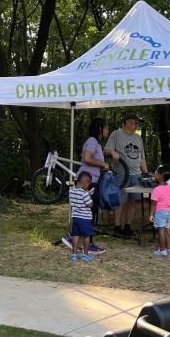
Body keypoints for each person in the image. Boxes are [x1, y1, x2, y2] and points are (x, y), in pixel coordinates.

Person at [70, 117, 112, 255]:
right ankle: (86, 243)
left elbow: (95, 156)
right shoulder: (93, 141)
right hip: (87, 181)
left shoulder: (96, 143)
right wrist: (102, 164)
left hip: (90, 180)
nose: (108, 130)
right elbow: (87, 158)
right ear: (100, 129)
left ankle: (78, 238)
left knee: (89, 211)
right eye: (106, 127)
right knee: (89, 210)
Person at [105, 112, 148, 238]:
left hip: (137, 174)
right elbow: (106, 150)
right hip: (122, 174)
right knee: (120, 201)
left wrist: (146, 174)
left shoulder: (138, 138)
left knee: (133, 201)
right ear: (128, 122)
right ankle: (117, 226)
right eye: (136, 122)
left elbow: (142, 158)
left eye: (137, 123)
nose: (137, 125)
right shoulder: (116, 134)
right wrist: (112, 151)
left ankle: (128, 226)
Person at [68, 171, 95, 262]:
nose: (89, 185)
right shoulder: (85, 193)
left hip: (75, 217)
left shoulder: (71, 191)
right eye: (88, 183)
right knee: (87, 236)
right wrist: (90, 197)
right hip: (85, 218)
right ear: (84, 182)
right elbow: (90, 205)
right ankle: (86, 255)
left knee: (75, 236)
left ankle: (74, 255)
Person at [149, 165, 170, 257]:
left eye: (156, 173)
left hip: (160, 212)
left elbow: (153, 203)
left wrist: (151, 214)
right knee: (165, 231)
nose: (154, 175)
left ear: (160, 176)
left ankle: (162, 250)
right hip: (169, 212)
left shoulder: (156, 190)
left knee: (161, 231)